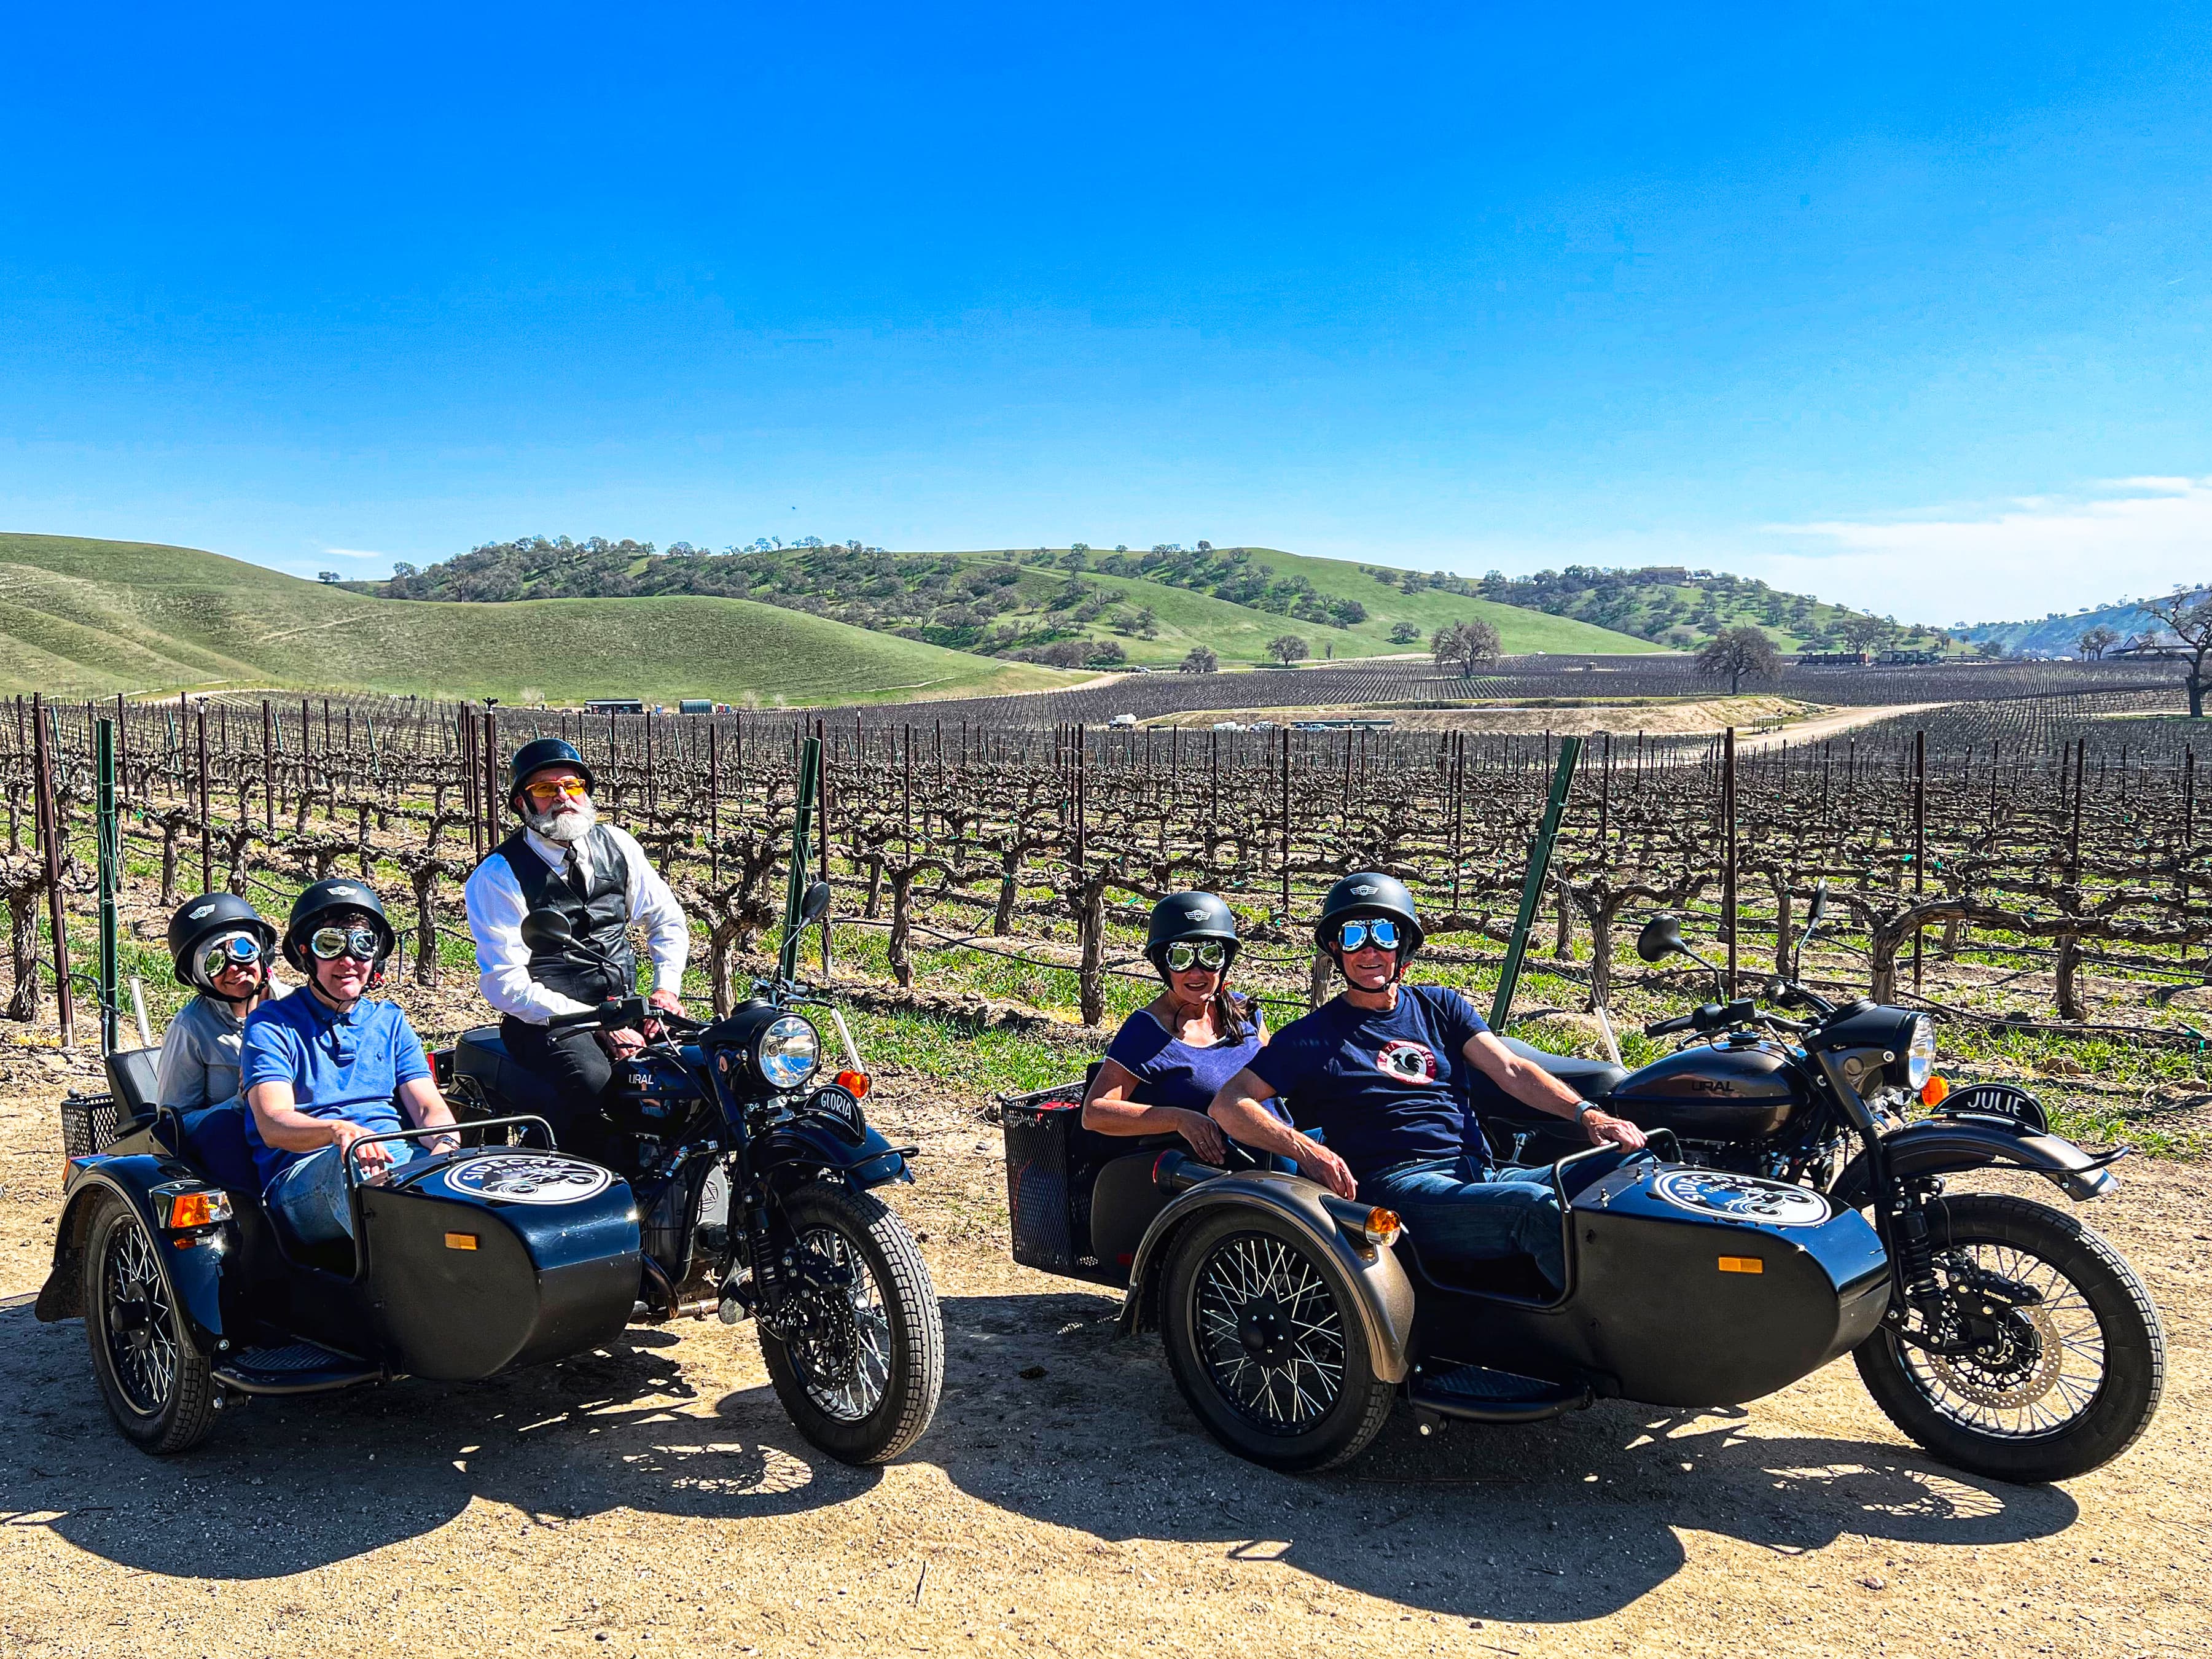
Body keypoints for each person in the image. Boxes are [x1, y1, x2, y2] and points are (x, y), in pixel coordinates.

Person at [1208, 873, 1646, 1294]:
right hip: (1401, 1188)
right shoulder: (1309, 1037)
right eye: (1354, 937)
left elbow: (1510, 1069)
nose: (1369, 950)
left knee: (1633, 1166)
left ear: (1403, 945)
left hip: (1479, 1173)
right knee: (1532, 1208)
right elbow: (1228, 1104)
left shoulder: (1441, 1006)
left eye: (1383, 934)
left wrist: (1587, 1114)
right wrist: (1308, 1150)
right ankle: (1614, 1333)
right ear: (1336, 949)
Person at [461, 736, 690, 1157]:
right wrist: (596, 1022)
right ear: (522, 804)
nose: (562, 797)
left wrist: (665, 989)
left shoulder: (618, 845)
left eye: (572, 785)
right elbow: (505, 983)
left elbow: (666, 920)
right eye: (545, 789)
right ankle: (572, 1175)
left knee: (700, 1067)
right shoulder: (498, 875)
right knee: (592, 1083)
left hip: (625, 1006)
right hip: (545, 1022)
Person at [241, 879, 461, 1245]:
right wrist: (338, 1132)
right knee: (359, 1172)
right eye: (330, 945)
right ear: (306, 955)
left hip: (398, 1160)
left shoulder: (391, 1021)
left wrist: (445, 1149)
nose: (348, 962)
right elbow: (273, 1122)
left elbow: (428, 1108)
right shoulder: (271, 1024)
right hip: (306, 1174)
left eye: (362, 946)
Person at [1082, 892, 1267, 1164]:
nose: (1197, 973)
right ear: (1163, 965)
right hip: (1222, 1174)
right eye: (1181, 958)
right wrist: (1179, 1119)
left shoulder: (1244, 1012)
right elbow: (1095, 1112)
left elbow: (1278, 1077)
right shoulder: (1147, 1031)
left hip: (1277, 1150)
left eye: (1210, 956)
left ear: (1225, 961)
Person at [154, 892, 288, 1113]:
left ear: (262, 951)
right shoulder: (190, 1027)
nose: (234, 967)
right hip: (232, 1135)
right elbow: (174, 1122)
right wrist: (240, 1102)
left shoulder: (297, 1007)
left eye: (244, 949)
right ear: (199, 977)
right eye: (214, 962)